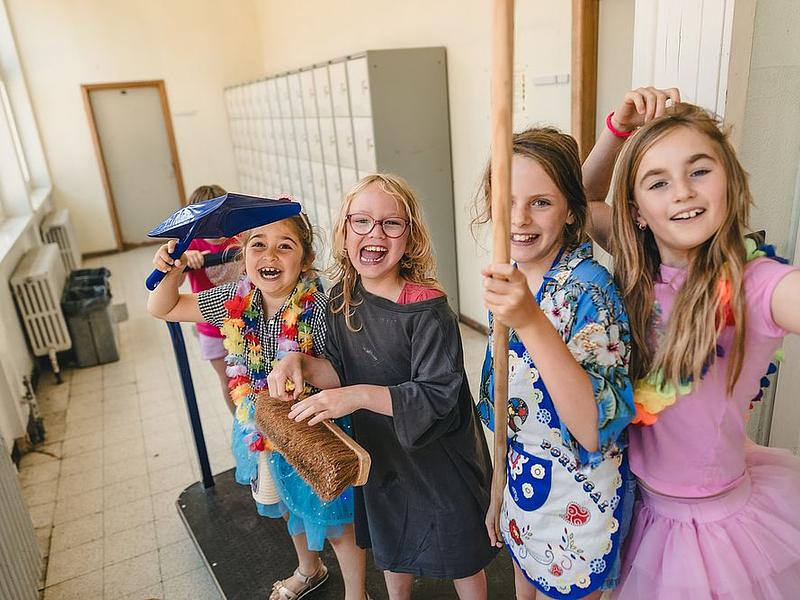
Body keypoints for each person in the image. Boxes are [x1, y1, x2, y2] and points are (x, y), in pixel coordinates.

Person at [588, 101, 800, 599]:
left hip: (714, 534)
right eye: (658, 182)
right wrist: (616, 130)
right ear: (636, 213)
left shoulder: (756, 285)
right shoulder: (636, 269)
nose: (682, 191)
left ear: (730, 182)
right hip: (635, 508)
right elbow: (580, 200)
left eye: (699, 171)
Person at [268, 174, 497, 600]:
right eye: (362, 221)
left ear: (410, 238)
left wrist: (355, 396)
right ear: (344, 231)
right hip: (383, 453)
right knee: (393, 544)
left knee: (460, 552)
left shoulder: (427, 308)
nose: (375, 233)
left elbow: (438, 396)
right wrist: (299, 363)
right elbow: (339, 371)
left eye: (391, 223)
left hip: (439, 456)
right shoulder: (341, 299)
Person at [148, 213, 366, 600]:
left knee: (332, 520)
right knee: (284, 502)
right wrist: (172, 271)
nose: (270, 255)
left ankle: (356, 594)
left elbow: (342, 376)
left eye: (285, 246)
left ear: (306, 258)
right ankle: (309, 569)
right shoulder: (233, 299)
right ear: (243, 253)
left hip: (313, 430)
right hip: (261, 428)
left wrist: (302, 365)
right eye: (259, 245)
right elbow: (163, 308)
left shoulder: (321, 308)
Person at [475, 126, 635, 599]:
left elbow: (592, 428)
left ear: (570, 210)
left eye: (540, 202)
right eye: (506, 201)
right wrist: (498, 491)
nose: (519, 218)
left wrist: (529, 321)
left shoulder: (589, 291)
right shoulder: (509, 276)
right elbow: (507, 411)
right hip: (523, 484)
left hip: (578, 499)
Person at [180, 184, 239, 414]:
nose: (217, 231)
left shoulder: (240, 237)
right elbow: (175, 283)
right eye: (208, 224)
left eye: (222, 222)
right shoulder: (191, 244)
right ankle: (239, 423)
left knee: (250, 375)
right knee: (228, 380)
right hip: (211, 328)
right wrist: (184, 260)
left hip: (243, 322)